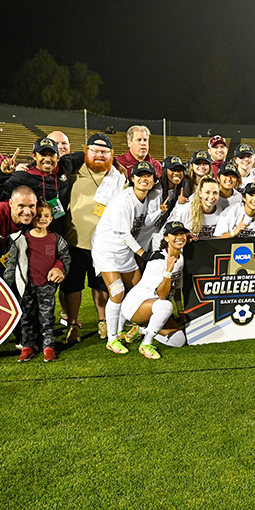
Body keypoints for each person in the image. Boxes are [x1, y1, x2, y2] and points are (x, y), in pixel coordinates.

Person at [61, 133, 127, 341]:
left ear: (112, 155)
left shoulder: (119, 177)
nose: (99, 155)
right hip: (75, 240)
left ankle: (103, 322)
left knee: (100, 285)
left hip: (104, 243)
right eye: (95, 151)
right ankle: (73, 324)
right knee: (73, 285)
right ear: (86, 151)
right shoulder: (73, 171)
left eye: (105, 152)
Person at [92, 162, 162, 354]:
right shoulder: (123, 200)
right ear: (132, 178)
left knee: (140, 288)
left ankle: (127, 328)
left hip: (123, 251)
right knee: (117, 292)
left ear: (154, 180)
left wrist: (160, 211)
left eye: (148, 176)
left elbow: (143, 223)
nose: (144, 179)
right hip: (106, 250)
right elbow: (124, 233)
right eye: (140, 175)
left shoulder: (145, 198)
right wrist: (143, 253)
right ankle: (112, 338)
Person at [4, 202, 70, 363]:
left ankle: (49, 347)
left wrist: (59, 268)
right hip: (24, 287)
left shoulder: (56, 239)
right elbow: (11, 264)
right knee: (26, 317)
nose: (42, 219)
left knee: (47, 318)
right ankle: (28, 347)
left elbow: (64, 258)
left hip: (46, 287)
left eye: (46, 216)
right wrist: (6, 285)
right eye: (38, 216)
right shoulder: (20, 239)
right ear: (32, 218)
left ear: (51, 219)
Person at [120, 221, 190, 359]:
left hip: (156, 307)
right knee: (165, 305)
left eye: (182, 233)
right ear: (166, 238)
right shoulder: (157, 260)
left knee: (178, 340)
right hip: (136, 305)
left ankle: (142, 329)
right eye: (174, 234)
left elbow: (176, 287)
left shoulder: (180, 258)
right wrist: (168, 271)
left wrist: (180, 310)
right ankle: (146, 344)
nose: (179, 237)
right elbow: (162, 295)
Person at [0, 137, 76, 237]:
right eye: (43, 154)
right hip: (31, 236)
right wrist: (1, 174)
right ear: (34, 156)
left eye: (51, 154)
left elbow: (87, 154)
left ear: (58, 157)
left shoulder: (65, 165)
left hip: (59, 235)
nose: (48, 159)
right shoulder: (23, 176)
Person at [161, 176, 223, 241]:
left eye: (215, 193)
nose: (211, 196)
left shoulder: (221, 212)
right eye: (207, 192)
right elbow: (166, 232)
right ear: (200, 193)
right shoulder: (185, 210)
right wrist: (184, 236)